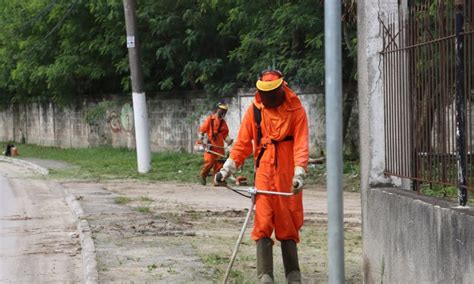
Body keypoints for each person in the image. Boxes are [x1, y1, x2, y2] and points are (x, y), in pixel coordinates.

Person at [215, 70, 309, 283]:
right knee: (263, 221)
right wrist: (226, 169)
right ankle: (265, 275)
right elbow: (242, 144)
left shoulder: (296, 110)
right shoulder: (255, 110)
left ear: (281, 88)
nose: (268, 97)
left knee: (288, 223)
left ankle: (293, 274)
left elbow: (301, 145)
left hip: (287, 178)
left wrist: (299, 173)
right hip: (264, 176)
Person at [198, 102, 233, 185]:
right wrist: (201, 140)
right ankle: (203, 175)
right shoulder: (210, 120)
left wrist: (229, 141)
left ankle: (216, 181)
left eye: (225, 111)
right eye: (222, 110)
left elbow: (225, 135)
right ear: (217, 109)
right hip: (210, 147)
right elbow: (201, 131)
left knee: (219, 165)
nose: (223, 112)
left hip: (220, 147)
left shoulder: (223, 123)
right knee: (209, 163)